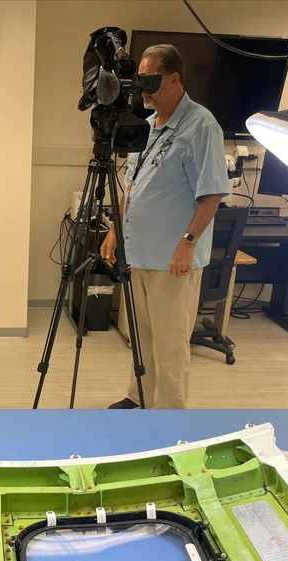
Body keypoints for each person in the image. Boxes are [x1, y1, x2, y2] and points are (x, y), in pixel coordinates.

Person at [101, 44, 229, 409]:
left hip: (172, 258)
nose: (144, 88)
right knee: (140, 336)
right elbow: (131, 186)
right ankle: (138, 397)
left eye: (151, 80)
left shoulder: (201, 126)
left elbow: (212, 194)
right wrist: (114, 231)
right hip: (139, 252)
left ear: (174, 79)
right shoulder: (146, 127)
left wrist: (187, 243)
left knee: (170, 344)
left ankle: (169, 415)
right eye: (141, 80)